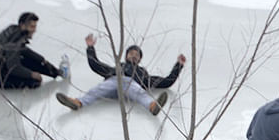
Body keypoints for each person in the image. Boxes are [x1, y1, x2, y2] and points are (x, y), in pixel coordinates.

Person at [55, 34, 186, 116]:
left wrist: (178, 65)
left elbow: (167, 81)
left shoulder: (142, 75)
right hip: (113, 85)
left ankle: (152, 106)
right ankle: (77, 102)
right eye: (131, 53)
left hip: (130, 90)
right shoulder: (116, 69)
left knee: (138, 91)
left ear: (140, 59)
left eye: (137, 54)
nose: (134, 55)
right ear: (126, 56)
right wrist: (90, 48)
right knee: (99, 89)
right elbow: (95, 65)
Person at [0, 12, 62, 89]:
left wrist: (42, 60)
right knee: (35, 82)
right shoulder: (14, 42)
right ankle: (55, 73)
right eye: (31, 27)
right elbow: (13, 67)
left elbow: (24, 51)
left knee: (29, 60)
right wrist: (32, 74)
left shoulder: (13, 31)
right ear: (22, 25)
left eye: (35, 26)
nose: (34, 30)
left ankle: (55, 72)